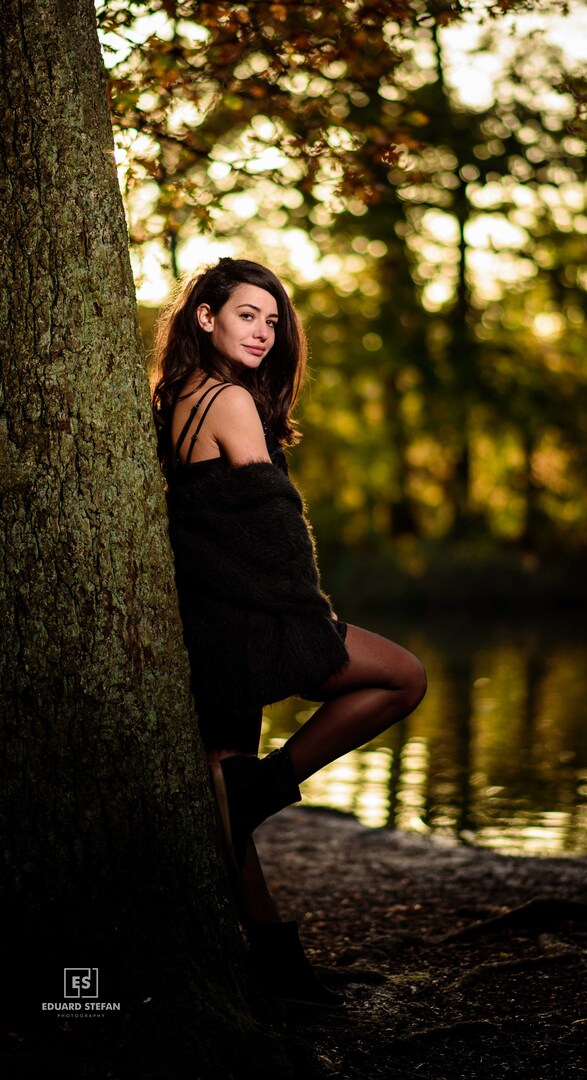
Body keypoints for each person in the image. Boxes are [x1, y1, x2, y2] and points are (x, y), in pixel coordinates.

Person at [152, 257, 427, 1007]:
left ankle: (277, 968)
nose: (264, 332)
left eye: (272, 321)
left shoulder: (172, 396)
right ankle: (269, 786)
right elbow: (274, 532)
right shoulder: (231, 403)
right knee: (404, 675)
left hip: (207, 621)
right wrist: (308, 620)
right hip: (252, 620)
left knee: (221, 798)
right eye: (247, 315)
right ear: (204, 317)